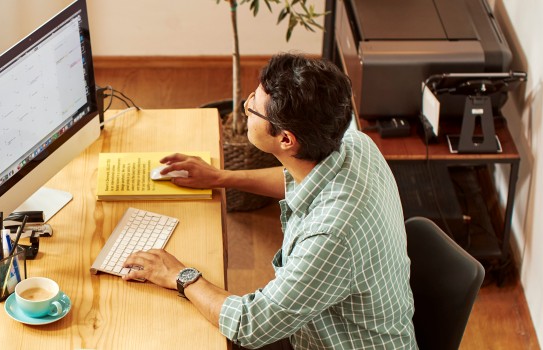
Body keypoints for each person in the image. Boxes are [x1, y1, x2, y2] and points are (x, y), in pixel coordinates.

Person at [122, 53, 417, 349]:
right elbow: (299, 179)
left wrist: (179, 276)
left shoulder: (331, 236)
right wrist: (220, 177)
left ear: (286, 140)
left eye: (255, 107)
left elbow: (250, 325)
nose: (246, 105)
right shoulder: (355, 145)